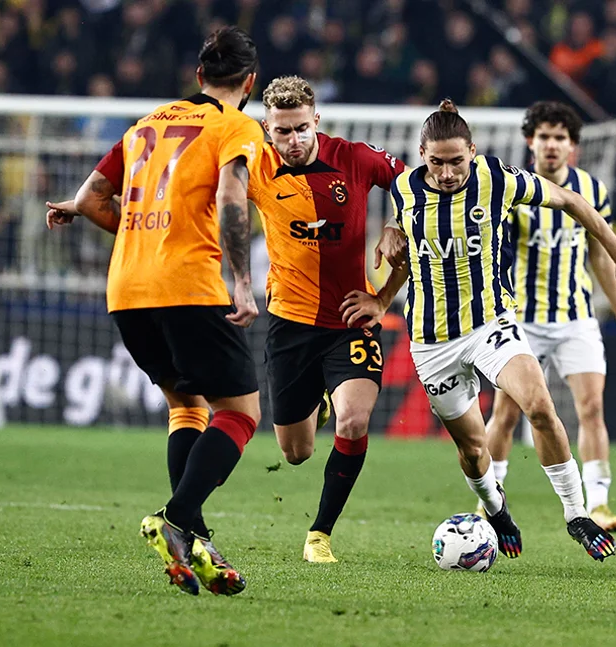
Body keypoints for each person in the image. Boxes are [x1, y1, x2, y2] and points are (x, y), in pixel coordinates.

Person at [356, 100, 616, 561]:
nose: (447, 173)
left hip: (491, 323)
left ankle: (577, 515)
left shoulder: (496, 178)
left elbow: (571, 200)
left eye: (456, 161)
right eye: (437, 162)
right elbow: (410, 255)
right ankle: (496, 510)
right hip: (432, 342)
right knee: (473, 450)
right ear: (422, 155)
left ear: (472, 151)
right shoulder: (404, 189)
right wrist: (382, 294)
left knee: (541, 407)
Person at [46, 27, 263, 596]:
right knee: (241, 413)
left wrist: (138, 233)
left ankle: (196, 542)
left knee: (187, 407)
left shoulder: (144, 124)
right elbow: (231, 197)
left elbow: (91, 198)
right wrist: (243, 281)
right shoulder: (237, 127)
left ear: (198, 75)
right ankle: (177, 519)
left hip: (127, 289)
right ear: (250, 83)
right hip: (187, 284)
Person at [249, 75, 407, 563]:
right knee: (295, 453)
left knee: (354, 421)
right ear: (268, 130)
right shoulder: (255, 166)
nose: (294, 140)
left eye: (302, 128)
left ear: (316, 120)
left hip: (349, 321)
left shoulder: (354, 158)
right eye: (283, 131)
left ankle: (319, 534)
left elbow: (418, 182)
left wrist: (395, 228)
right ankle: (318, 401)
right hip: (290, 324)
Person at [484, 101, 616, 532]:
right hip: (522, 321)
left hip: (576, 317)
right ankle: (491, 501)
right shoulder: (514, 189)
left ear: (572, 145)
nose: (552, 145)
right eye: (544, 136)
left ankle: (599, 504)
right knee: (506, 414)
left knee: (591, 408)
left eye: (560, 137)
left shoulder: (592, 191)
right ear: (530, 141)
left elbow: (599, 257)